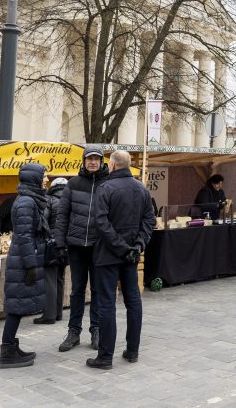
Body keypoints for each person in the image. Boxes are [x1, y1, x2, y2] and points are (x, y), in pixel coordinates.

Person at [86, 150, 155, 370]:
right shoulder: (140, 188)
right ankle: (132, 350)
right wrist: (137, 245)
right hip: (130, 255)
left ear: (113, 165)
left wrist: (124, 247)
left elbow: (101, 223)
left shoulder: (105, 188)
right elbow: (149, 219)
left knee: (107, 303)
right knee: (132, 300)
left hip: (109, 254)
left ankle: (105, 356)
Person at [54, 146, 109, 353]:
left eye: (96, 158)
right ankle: (73, 331)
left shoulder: (108, 183)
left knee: (97, 289)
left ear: (102, 161)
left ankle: (96, 329)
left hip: (98, 246)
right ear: (84, 161)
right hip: (76, 246)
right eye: (89, 159)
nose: (93, 162)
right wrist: (60, 243)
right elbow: (63, 215)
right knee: (77, 290)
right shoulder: (73, 184)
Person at [0, 163, 48, 369]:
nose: (46, 180)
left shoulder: (28, 199)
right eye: (44, 176)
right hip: (22, 260)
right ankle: (7, 353)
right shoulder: (27, 202)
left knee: (17, 307)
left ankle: (11, 347)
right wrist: (31, 265)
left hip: (21, 259)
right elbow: (24, 236)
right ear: (34, 178)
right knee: (16, 308)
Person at [35, 177, 69, 325]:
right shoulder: (70, 201)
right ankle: (58, 313)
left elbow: (44, 222)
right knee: (60, 278)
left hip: (52, 244)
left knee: (50, 279)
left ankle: (49, 315)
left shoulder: (49, 200)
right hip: (66, 245)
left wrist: (47, 238)